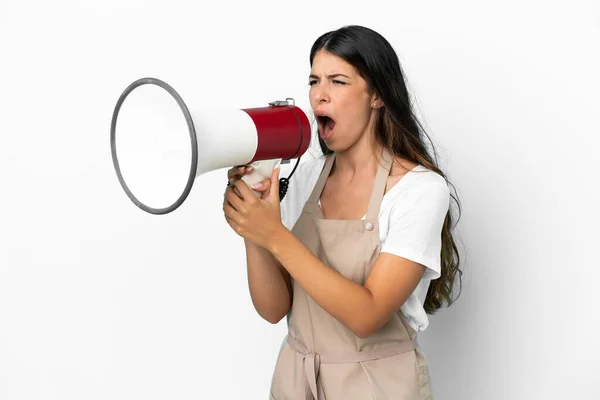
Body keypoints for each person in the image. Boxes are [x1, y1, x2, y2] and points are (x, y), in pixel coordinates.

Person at [222, 25, 462, 400]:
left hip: (377, 386)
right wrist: (253, 232)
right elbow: (274, 309)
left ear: (377, 96)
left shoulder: (420, 190)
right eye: (314, 80)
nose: (320, 94)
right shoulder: (304, 176)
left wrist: (274, 235)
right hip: (295, 382)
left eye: (338, 81)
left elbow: (367, 316)